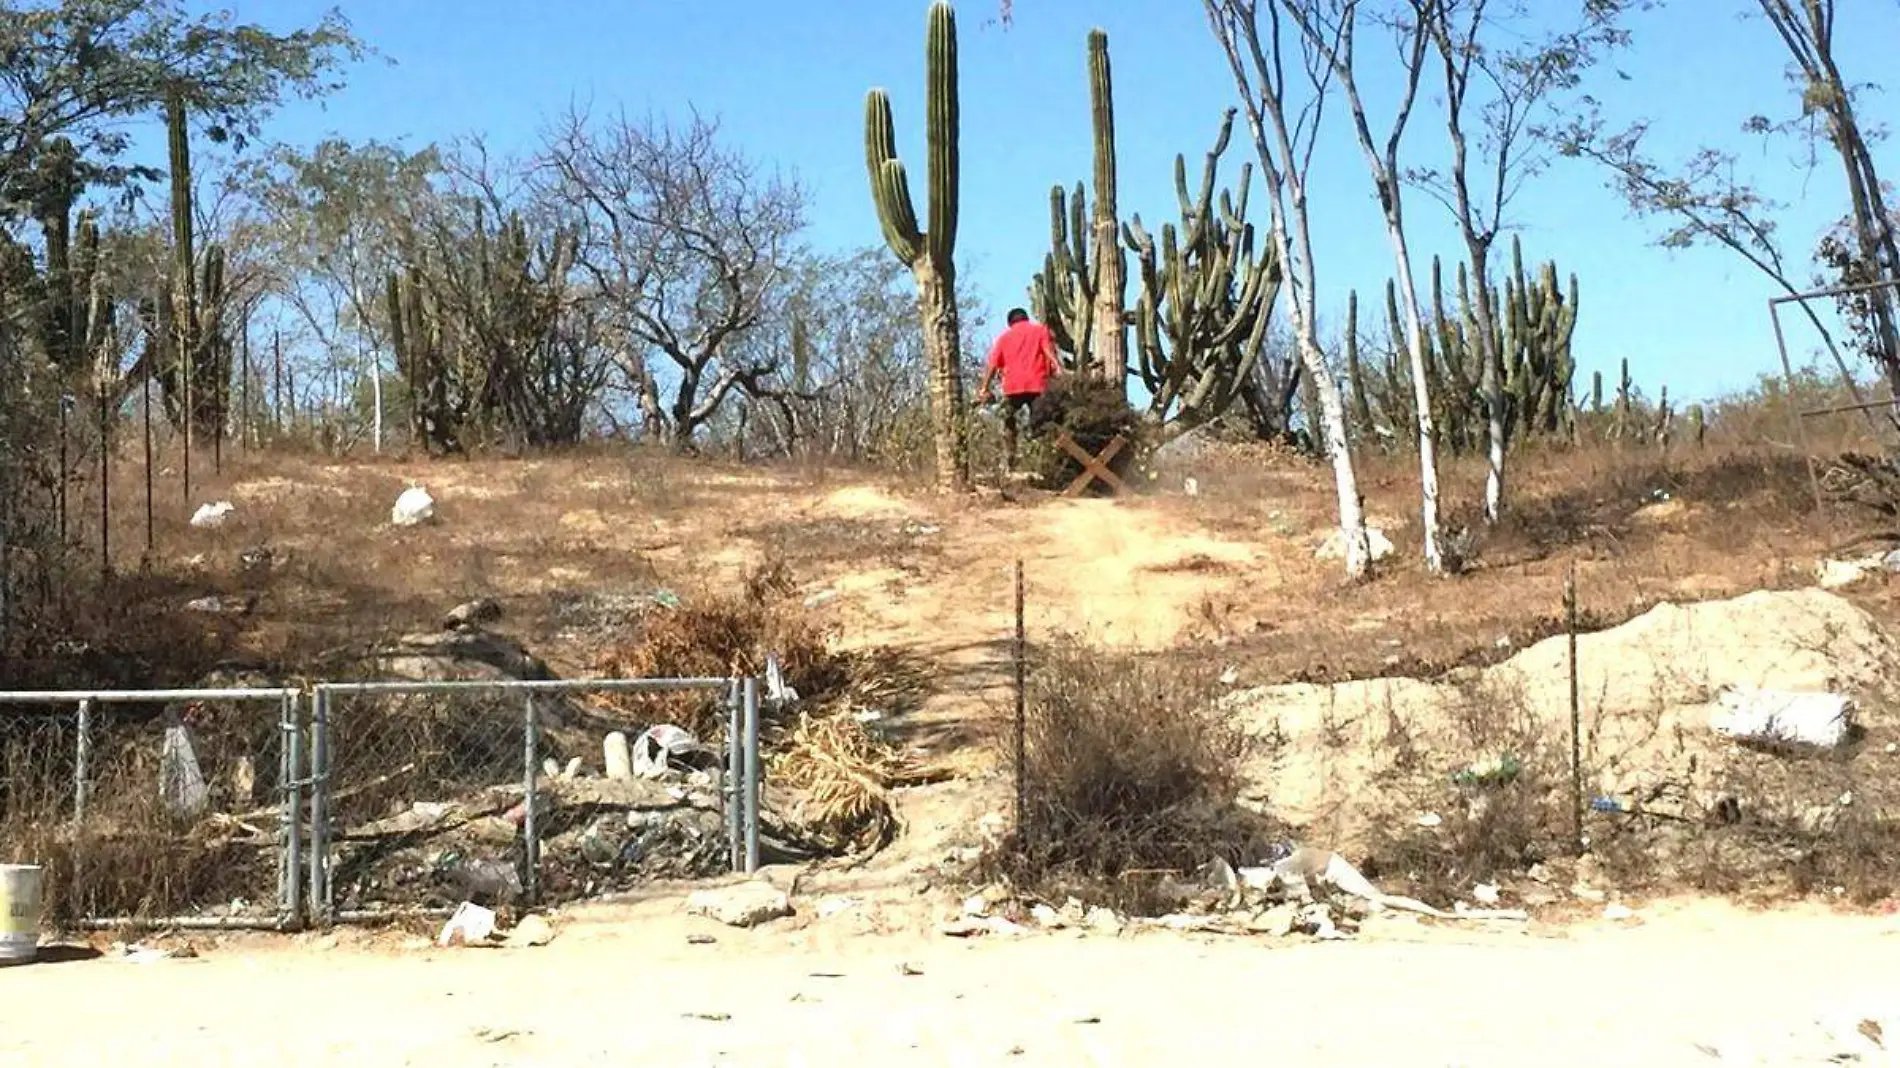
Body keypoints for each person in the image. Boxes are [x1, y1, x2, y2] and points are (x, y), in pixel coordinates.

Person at [976, 308, 1061, 472]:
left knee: (1007, 420)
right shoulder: (1040, 331)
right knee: (1041, 426)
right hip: (1038, 385)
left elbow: (992, 365)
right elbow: (1048, 351)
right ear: (1026, 318)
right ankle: (1043, 463)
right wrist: (1059, 369)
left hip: (1012, 388)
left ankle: (1010, 460)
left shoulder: (1004, 338)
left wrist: (984, 388)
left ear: (1010, 323)